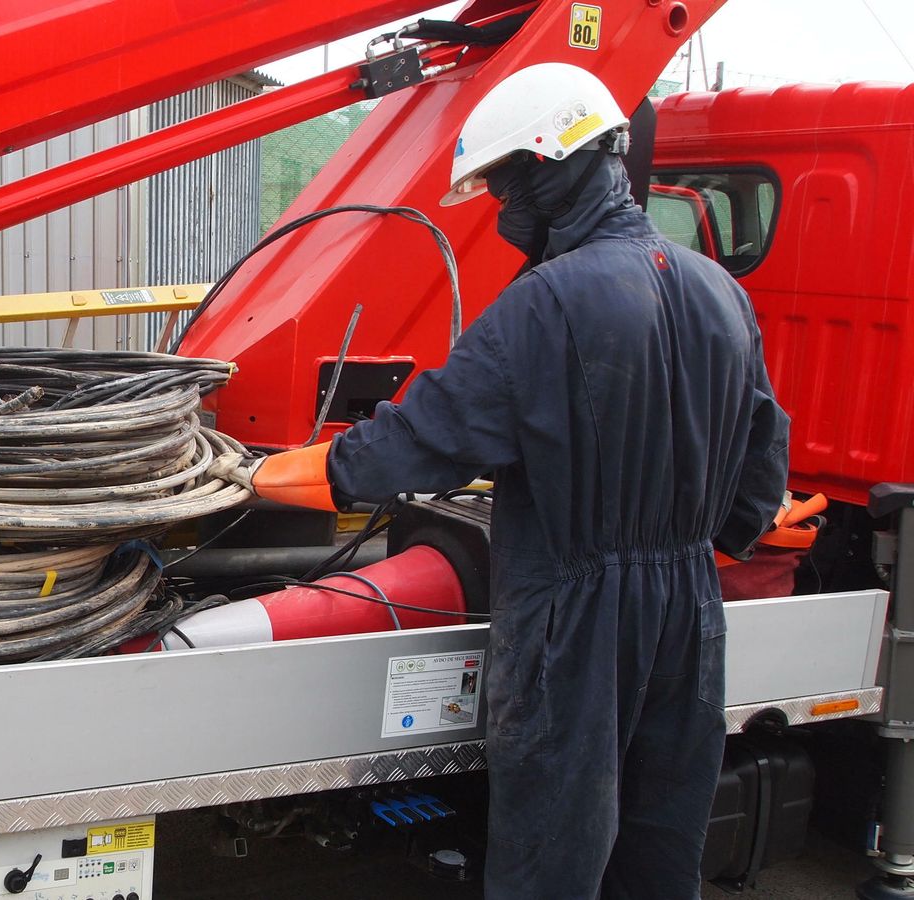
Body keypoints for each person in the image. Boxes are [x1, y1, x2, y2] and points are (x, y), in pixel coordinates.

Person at [215, 63, 789, 899]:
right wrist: (694, 550)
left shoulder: (547, 302)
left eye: (504, 181)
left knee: (555, 850)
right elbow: (760, 470)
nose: (499, 206)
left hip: (576, 617)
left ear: (552, 165)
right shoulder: (721, 294)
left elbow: (415, 446)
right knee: (663, 843)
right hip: (689, 613)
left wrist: (264, 476)